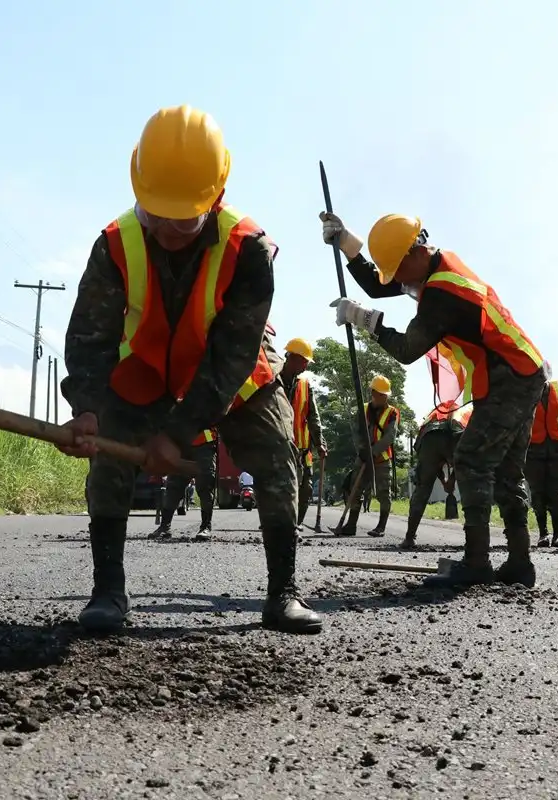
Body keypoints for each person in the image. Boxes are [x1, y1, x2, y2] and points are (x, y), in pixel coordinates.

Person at [57, 104, 321, 636]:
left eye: (184, 218)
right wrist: (87, 409)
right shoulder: (115, 243)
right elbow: (89, 338)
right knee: (108, 459)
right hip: (146, 369)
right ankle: (107, 591)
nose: (168, 230)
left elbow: (233, 355)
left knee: (276, 457)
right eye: (156, 213)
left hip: (230, 375)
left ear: (216, 195)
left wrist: (177, 433)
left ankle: (282, 593)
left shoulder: (249, 249)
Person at [320, 212, 545, 588]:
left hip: (509, 376)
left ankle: (477, 563)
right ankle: (520, 564)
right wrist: (348, 245)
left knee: (471, 460)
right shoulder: (436, 264)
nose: (401, 281)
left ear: (414, 252)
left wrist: (366, 320)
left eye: (399, 271)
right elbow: (380, 285)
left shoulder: (443, 293)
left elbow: (407, 350)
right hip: (521, 369)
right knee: (506, 470)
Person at [402, 399, 472, 550]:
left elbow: (432, 461)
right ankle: (473, 541)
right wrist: (451, 480)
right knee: (468, 488)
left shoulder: (433, 415)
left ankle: (409, 537)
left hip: (430, 439)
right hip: (456, 436)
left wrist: (445, 480)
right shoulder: (464, 413)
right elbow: (463, 457)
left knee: (422, 489)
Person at [335, 375, 399, 537]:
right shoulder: (363, 409)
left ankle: (381, 527)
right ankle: (351, 525)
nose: (384, 397)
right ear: (373, 393)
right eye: (381, 394)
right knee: (355, 490)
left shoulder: (392, 412)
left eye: (386, 395)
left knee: (383, 494)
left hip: (381, 459)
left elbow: (390, 437)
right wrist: (362, 450)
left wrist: (373, 452)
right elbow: (356, 432)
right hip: (363, 457)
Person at [280, 337, 328, 531]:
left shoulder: (305, 386)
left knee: (306, 488)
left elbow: (313, 417)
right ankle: (281, 523)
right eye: (304, 361)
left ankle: (296, 524)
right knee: (283, 489)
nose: (306, 366)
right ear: (292, 358)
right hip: (279, 447)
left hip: (302, 449)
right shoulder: (273, 380)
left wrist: (320, 443)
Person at [527, 375, 558, 549]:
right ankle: (543, 534)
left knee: (557, 493)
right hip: (533, 451)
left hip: (556, 449)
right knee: (537, 493)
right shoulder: (525, 390)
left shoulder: (557, 389)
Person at [151, 429, 218, 541]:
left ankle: (206, 527)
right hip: (182, 446)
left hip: (204, 445)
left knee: (205, 487)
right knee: (173, 486)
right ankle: (164, 527)